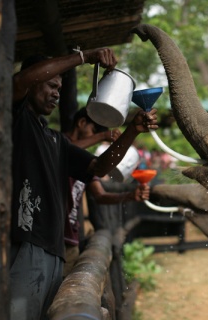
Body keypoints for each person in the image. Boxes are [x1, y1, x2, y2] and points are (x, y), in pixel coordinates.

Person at [10, 48, 158, 320]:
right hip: (25, 242)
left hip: (54, 249)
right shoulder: (15, 118)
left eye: (60, 87)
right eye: (50, 84)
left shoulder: (56, 140)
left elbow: (100, 167)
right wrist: (83, 57)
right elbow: (18, 83)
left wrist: (132, 131)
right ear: (32, 82)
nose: (56, 92)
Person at [63, 107, 150, 277]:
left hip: (70, 237)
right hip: (51, 236)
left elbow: (100, 196)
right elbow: (65, 148)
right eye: (94, 131)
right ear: (82, 123)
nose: (96, 138)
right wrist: (103, 136)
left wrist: (130, 196)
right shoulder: (55, 142)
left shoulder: (84, 160)